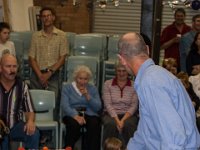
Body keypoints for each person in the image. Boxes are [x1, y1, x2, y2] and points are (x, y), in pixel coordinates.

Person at [118, 32, 200, 149]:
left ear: (121, 59)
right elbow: (145, 131)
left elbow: (174, 138)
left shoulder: (151, 82)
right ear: (147, 49)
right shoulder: (155, 76)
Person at [28, 7, 68, 102]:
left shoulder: (62, 35)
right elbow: (31, 58)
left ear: (53, 17)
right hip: (37, 74)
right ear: (41, 18)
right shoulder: (35, 36)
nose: (46, 18)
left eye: (48, 15)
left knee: (51, 103)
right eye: (44, 16)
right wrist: (40, 76)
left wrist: (49, 74)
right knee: (35, 103)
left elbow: (62, 58)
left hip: (53, 75)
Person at [0, 54, 39, 149]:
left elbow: (30, 110)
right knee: (2, 137)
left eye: (14, 66)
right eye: (8, 66)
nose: (12, 70)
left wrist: (30, 121)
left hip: (15, 126)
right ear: (0, 68)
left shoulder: (22, 86)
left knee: (34, 133)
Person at [61, 65, 102, 150]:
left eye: (85, 79)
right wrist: (75, 116)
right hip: (72, 113)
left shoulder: (93, 88)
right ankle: (69, 147)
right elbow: (64, 105)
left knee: (94, 124)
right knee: (73, 125)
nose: (83, 81)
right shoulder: (67, 88)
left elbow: (98, 107)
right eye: (80, 78)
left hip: (89, 113)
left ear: (89, 79)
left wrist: (88, 96)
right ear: (75, 78)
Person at [102, 61, 138, 147]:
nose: (121, 73)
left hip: (128, 115)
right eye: (119, 71)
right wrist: (118, 121)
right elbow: (108, 104)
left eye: (124, 71)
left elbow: (134, 106)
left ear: (128, 72)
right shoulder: (107, 84)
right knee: (111, 124)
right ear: (115, 71)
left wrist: (122, 121)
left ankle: (129, 148)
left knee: (129, 124)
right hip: (111, 114)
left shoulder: (135, 85)